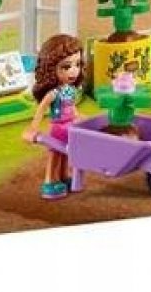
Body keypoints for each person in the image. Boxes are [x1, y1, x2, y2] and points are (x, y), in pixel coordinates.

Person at [22, 34, 85, 200]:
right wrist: (33, 128)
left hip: (70, 126)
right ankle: (50, 181)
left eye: (77, 64)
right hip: (58, 128)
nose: (74, 71)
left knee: (66, 153)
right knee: (55, 153)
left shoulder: (71, 90)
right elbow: (41, 109)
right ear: (51, 69)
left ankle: (63, 176)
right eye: (66, 67)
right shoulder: (53, 93)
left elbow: (71, 107)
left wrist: (78, 116)